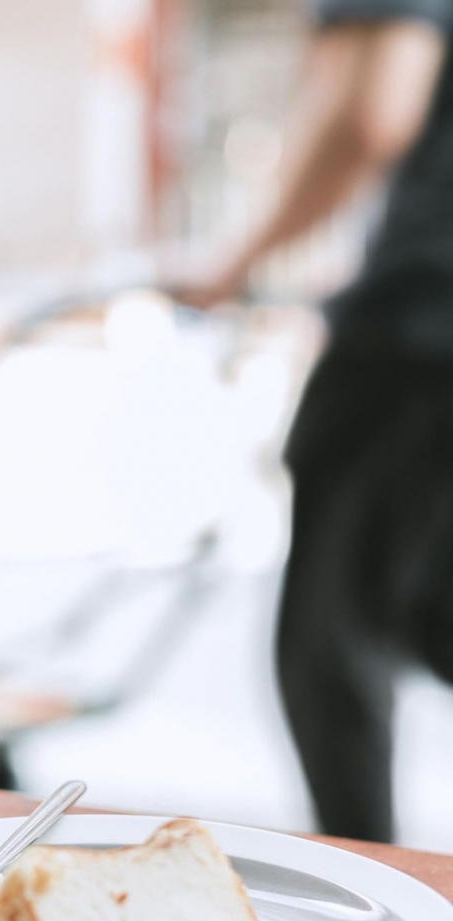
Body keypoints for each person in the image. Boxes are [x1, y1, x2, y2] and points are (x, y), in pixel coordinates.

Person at [174, 7, 453, 842]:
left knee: (329, 651)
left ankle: (382, 909)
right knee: (415, 605)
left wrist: (231, 264)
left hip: (421, 340)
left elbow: (370, 112)